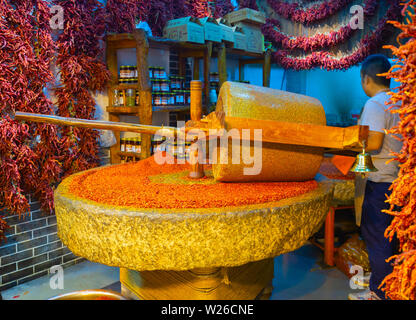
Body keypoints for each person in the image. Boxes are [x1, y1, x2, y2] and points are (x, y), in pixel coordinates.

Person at [348, 54, 402, 300]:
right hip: (398, 181)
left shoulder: (375, 104)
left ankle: (379, 293)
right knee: (392, 237)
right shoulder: (400, 101)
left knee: (376, 235)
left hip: (380, 182)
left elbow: (374, 143)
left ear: (365, 78)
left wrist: (349, 145)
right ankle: (391, 283)